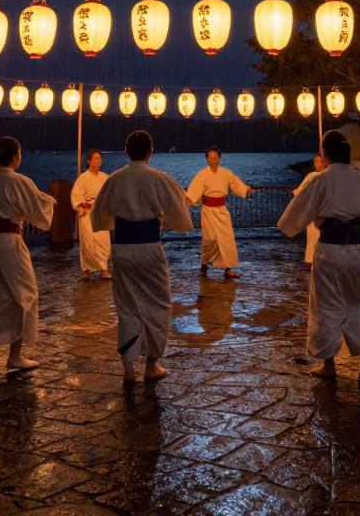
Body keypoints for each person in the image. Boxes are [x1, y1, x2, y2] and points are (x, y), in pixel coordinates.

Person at [90, 131, 194, 383]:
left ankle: (128, 369)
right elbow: (180, 209)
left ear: (127, 150)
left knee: (127, 306)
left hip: (123, 248)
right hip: (149, 247)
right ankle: (151, 364)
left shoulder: (114, 179)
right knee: (158, 304)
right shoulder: (159, 178)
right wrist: (165, 220)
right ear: (150, 150)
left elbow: (97, 215)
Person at [277, 130, 360, 381]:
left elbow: (295, 215)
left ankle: (329, 365)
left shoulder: (319, 181)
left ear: (324, 153)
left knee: (327, 305)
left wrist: (288, 227)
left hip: (331, 250)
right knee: (356, 303)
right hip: (357, 248)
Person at [0, 137, 55, 371]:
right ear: (15, 156)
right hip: (9, 242)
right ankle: (15, 355)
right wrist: (49, 202)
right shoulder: (20, 181)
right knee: (25, 295)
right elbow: (37, 210)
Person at [186, 147, 252, 278]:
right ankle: (204, 264)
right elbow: (195, 190)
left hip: (222, 211)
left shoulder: (226, 173)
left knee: (227, 238)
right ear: (206, 159)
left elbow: (235, 184)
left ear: (219, 159)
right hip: (208, 211)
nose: (212, 160)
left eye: (215, 157)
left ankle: (227, 268)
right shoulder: (202, 174)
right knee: (210, 239)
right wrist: (190, 198)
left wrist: (245, 190)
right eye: (210, 158)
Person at [70, 149, 112, 280]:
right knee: (88, 242)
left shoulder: (105, 177)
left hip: (100, 214)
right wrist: (84, 205)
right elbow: (76, 195)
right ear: (89, 161)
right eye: (95, 159)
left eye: (99, 158)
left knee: (103, 241)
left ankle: (104, 270)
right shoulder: (83, 178)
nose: (98, 161)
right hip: (87, 213)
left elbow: (110, 194)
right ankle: (86, 270)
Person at [291, 153, 327, 263]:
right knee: (313, 236)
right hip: (313, 210)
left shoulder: (330, 175)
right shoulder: (311, 176)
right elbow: (300, 191)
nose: (319, 164)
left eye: (321, 161)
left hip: (326, 209)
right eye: (316, 162)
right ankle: (312, 259)